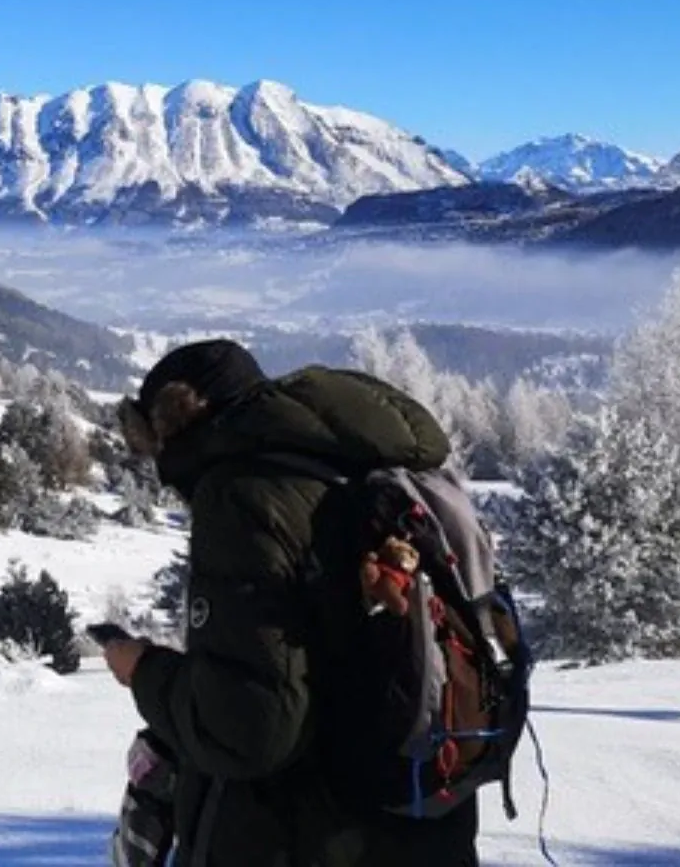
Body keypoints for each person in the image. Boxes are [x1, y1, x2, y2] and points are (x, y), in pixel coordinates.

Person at [99, 339, 481, 867]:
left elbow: (251, 728)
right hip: (423, 822)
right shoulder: (369, 472)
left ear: (174, 426)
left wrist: (144, 670)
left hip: (306, 836)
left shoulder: (243, 496)